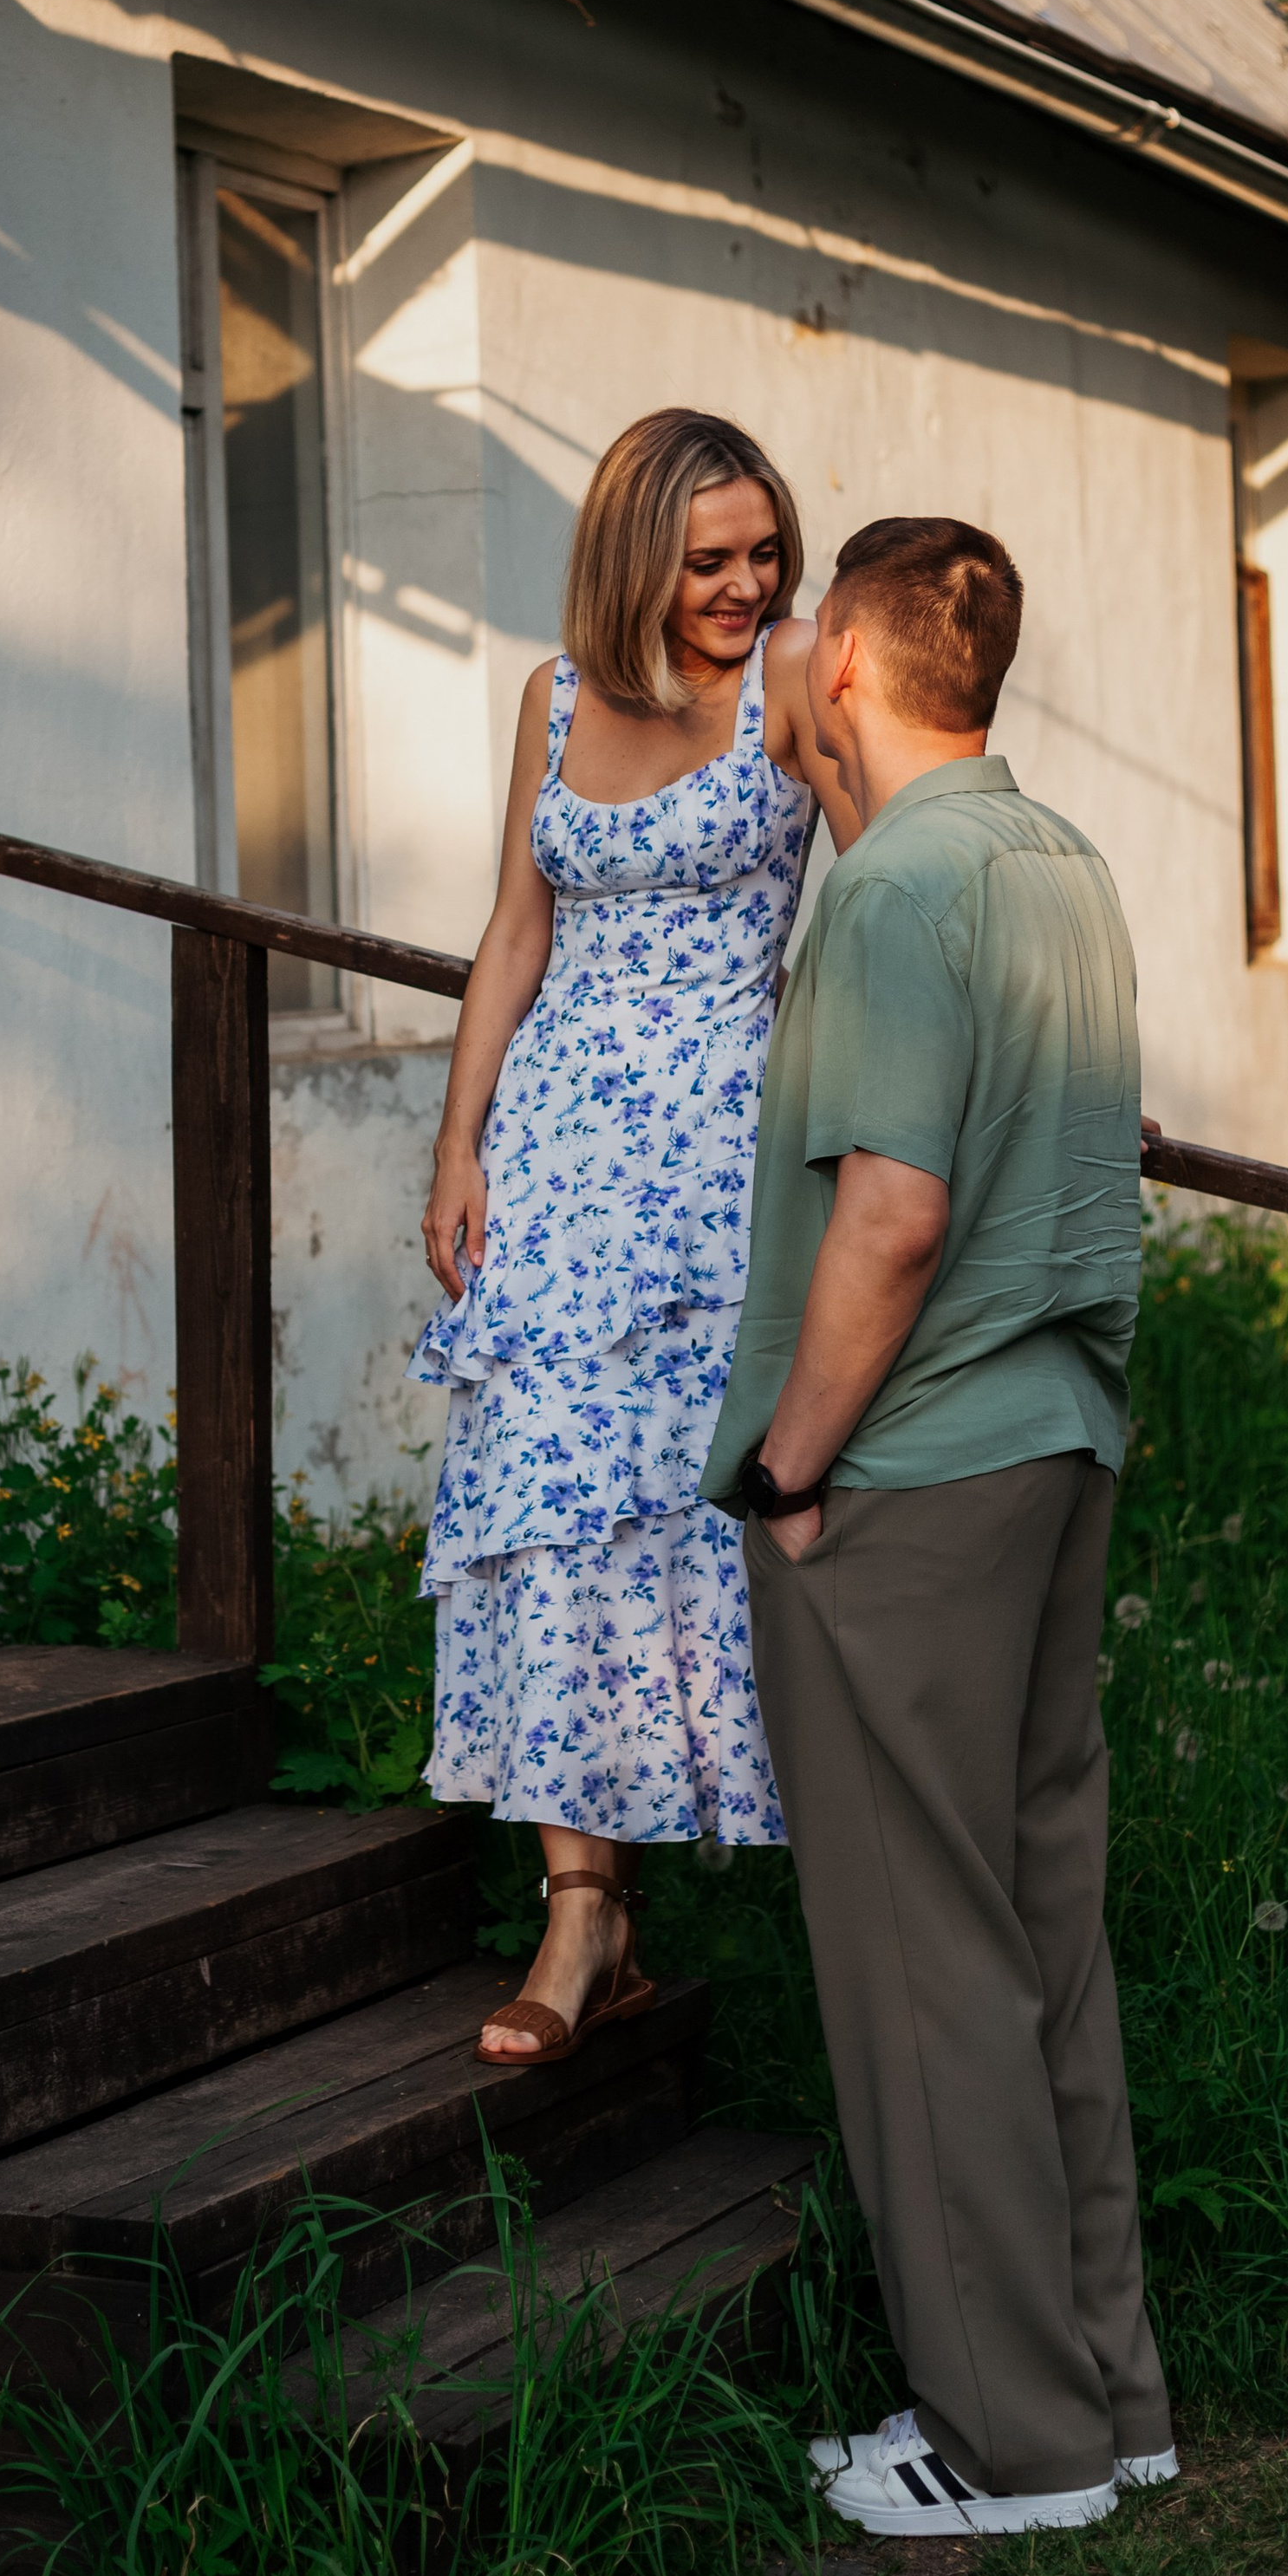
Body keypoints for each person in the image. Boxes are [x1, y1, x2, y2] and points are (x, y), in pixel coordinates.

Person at [700, 514, 1172, 2540]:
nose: (777, 639)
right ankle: (1108, 2396)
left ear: (856, 665)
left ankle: (1007, 2444)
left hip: (904, 1473)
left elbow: (887, 1214)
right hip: (1054, 1440)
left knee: (916, 1959)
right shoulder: (1047, 857)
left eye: (805, 622)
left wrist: (785, 1467)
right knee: (1034, 1933)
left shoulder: (893, 893)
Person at [412, 407, 860, 2065]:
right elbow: (515, 924)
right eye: (710, 560)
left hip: (725, 1161)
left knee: (712, 1510)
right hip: (552, 1164)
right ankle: (581, 1909)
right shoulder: (550, 697)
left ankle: (837, 1888)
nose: (747, 586)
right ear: (631, 556)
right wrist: (459, 1141)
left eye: (764, 553)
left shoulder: (804, 674)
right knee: (547, 1510)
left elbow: (894, 877)